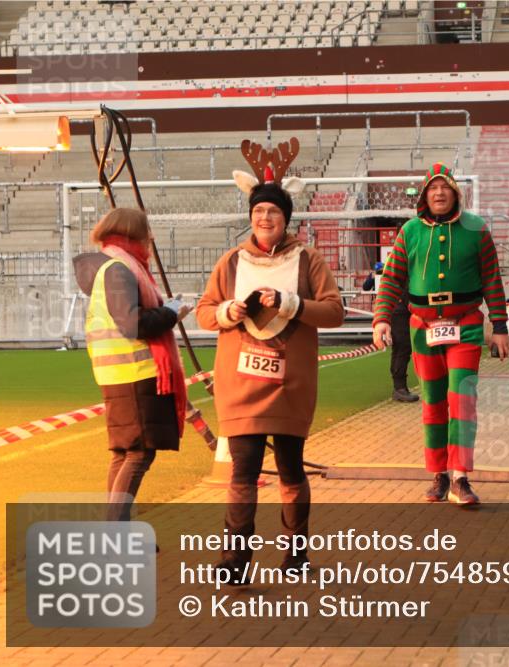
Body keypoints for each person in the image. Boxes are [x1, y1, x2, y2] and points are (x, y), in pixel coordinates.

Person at [197, 142, 345, 580]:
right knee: (241, 473)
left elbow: (334, 311)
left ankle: (296, 555)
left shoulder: (308, 259)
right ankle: (235, 561)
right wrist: (227, 312)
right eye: (259, 212)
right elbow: (206, 311)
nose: (265, 219)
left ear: (286, 218)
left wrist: (291, 303)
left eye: (274, 213)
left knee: (290, 471)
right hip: (240, 385)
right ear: (250, 217)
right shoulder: (231, 261)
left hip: (290, 386)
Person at [372, 162, 509, 505]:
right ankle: (439, 474)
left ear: (455, 193)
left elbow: (492, 278)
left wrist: (501, 326)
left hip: (465, 324)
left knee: (461, 400)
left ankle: (460, 477)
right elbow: (392, 279)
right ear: (424, 195)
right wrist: (381, 318)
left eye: (445, 187)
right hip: (422, 328)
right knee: (433, 402)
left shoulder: (477, 229)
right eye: (432, 188)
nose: (439, 193)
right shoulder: (409, 232)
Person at [73, 208, 190, 522]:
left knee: (124, 452)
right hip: (136, 371)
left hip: (117, 372)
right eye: (146, 233)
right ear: (133, 234)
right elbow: (133, 323)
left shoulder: (111, 265)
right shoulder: (121, 267)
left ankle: (118, 526)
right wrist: (172, 312)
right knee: (139, 453)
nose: (150, 241)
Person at [365, 259, 418, 402]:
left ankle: (404, 387)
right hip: (400, 307)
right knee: (402, 347)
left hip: (411, 306)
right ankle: (399, 388)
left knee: (410, 347)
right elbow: (376, 287)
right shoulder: (397, 265)